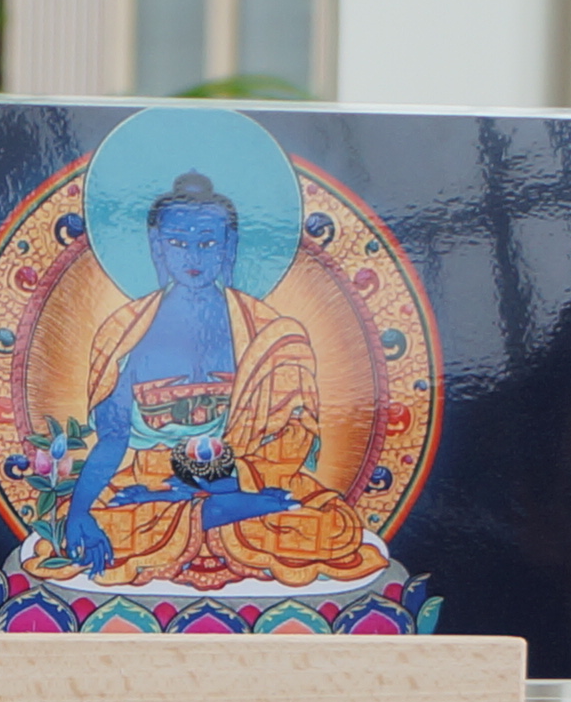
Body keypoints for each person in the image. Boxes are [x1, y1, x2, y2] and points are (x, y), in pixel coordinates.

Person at [40, 171, 377, 589]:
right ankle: (221, 511)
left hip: (240, 477)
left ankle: (221, 508)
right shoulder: (125, 333)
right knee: (93, 522)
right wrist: (80, 512)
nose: (193, 255)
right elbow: (113, 438)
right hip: (151, 482)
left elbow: (292, 436)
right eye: (178, 243)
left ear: (229, 246)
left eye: (208, 242)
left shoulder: (270, 333)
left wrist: (223, 483)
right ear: (157, 247)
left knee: (333, 525)